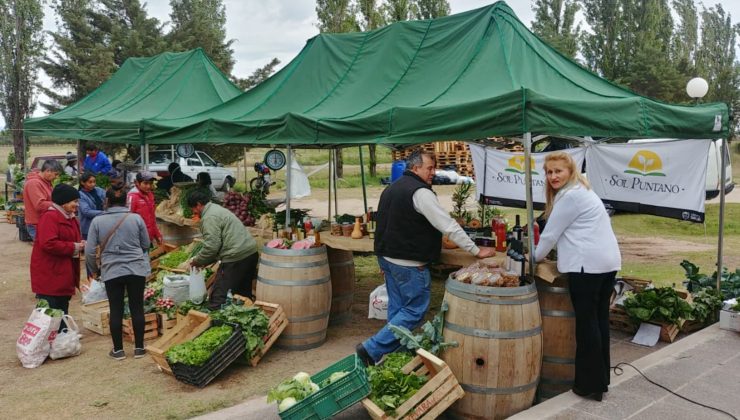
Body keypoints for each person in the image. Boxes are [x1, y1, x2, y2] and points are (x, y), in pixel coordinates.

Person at [357, 150, 496, 366]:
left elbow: (386, 224)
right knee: (414, 311)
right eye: (429, 168)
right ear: (415, 168)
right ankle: (370, 349)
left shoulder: (391, 188)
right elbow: (447, 225)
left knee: (398, 310)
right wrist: (476, 251)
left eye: (434, 168)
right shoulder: (421, 193)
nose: (433, 172)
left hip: (388, 258)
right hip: (409, 263)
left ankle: (397, 358)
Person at [533, 151, 621, 402]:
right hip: (606, 262)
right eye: (549, 172)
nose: (552, 176)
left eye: (558, 171)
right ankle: (602, 378)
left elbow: (549, 236)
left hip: (588, 266)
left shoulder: (570, 197)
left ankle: (590, 385)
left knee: (587, 324)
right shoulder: (583, 190)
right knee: (599, 320)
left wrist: (533, 258)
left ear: (570, 171)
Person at [86, 185, 151, 360]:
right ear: (126, 201)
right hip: (136, 269)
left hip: (111, 270)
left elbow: (90, 250)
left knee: (116, 309)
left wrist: (94, 270)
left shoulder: (97, 221)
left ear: (106, 201)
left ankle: (118, 350)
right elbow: (146, 244)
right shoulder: (136, 219)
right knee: (137, 307)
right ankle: (139, 348)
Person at [187, 190, 258, 310]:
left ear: (198, 204)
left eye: (193, 209)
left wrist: (198, 261)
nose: (193, 212)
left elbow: (212, 246)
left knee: (219, 296)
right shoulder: (215, 208)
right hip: (250, 253)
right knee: (243, 294)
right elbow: (218, 243)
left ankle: (216, 322)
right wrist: (206, 261)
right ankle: (242, 321)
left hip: (236, 257)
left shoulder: (209, 217)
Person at [30, 184, 84, 330]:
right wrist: (74, 246)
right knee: (50, 308)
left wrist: (79, 244)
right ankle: (50, 341)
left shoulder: (69, 217)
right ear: (64, 202)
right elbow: (48, 243)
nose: (76, 205)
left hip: (62, 271)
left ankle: (61, 338)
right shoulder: (50, 217)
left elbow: (70, 239)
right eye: (74, 201)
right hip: (50, 272)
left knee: (62, 306)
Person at [23, 159, 63, 241]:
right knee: (43, 250)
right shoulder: (34, 183)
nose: (56, 177)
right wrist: (59, 205)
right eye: (56, 174)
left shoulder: (46, 182)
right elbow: (39, 205)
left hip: (43, 222)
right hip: (36, 224)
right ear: (48, 171)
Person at [128, 171, 163, 246]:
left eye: (150, 183)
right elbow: (128, 219)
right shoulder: (132, 197)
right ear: (137, 182)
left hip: (148, 237)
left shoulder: (150, 195)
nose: (148, 186)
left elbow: (152, 218)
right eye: (145, 183)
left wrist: (157, 234)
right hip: (137, 239)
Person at [78, 172, 106, 239]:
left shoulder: (99, 190)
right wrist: (103, 213)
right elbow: (86, 211)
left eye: (94, 182)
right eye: (90, 182)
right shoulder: (80, 194)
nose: (93, 184)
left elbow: (107, 199)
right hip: (88, 227)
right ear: (82, 183)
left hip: (101, 224)